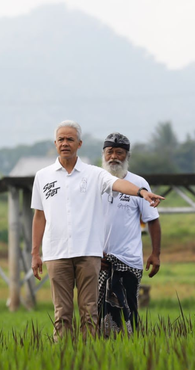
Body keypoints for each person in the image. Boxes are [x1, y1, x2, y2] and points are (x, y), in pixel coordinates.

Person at [31, 120, 164, 340]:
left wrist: (141, 192)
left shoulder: (93, 174)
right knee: (62, 313)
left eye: (70, 139)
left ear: (79, 144)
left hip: (89, 254)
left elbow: (118, 184)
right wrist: (35, 253)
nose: (65, 143)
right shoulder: (43, 176)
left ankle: (90, 356)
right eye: (61, 139)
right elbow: (39, 216)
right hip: (57, 253)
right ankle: (62, 360)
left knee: (90, 312)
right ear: (55, 143)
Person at [98, 132, 161, 337]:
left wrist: (155, 254)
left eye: (119, 152)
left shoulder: (138, 183)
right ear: (103, 154)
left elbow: (152, 219)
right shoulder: (93, 181)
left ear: (127, 156)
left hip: (128, 261)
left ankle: (132, 349)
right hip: (97, 260)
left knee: (129, 313)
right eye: (110, 152)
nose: (114, 156)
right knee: (96, 315)